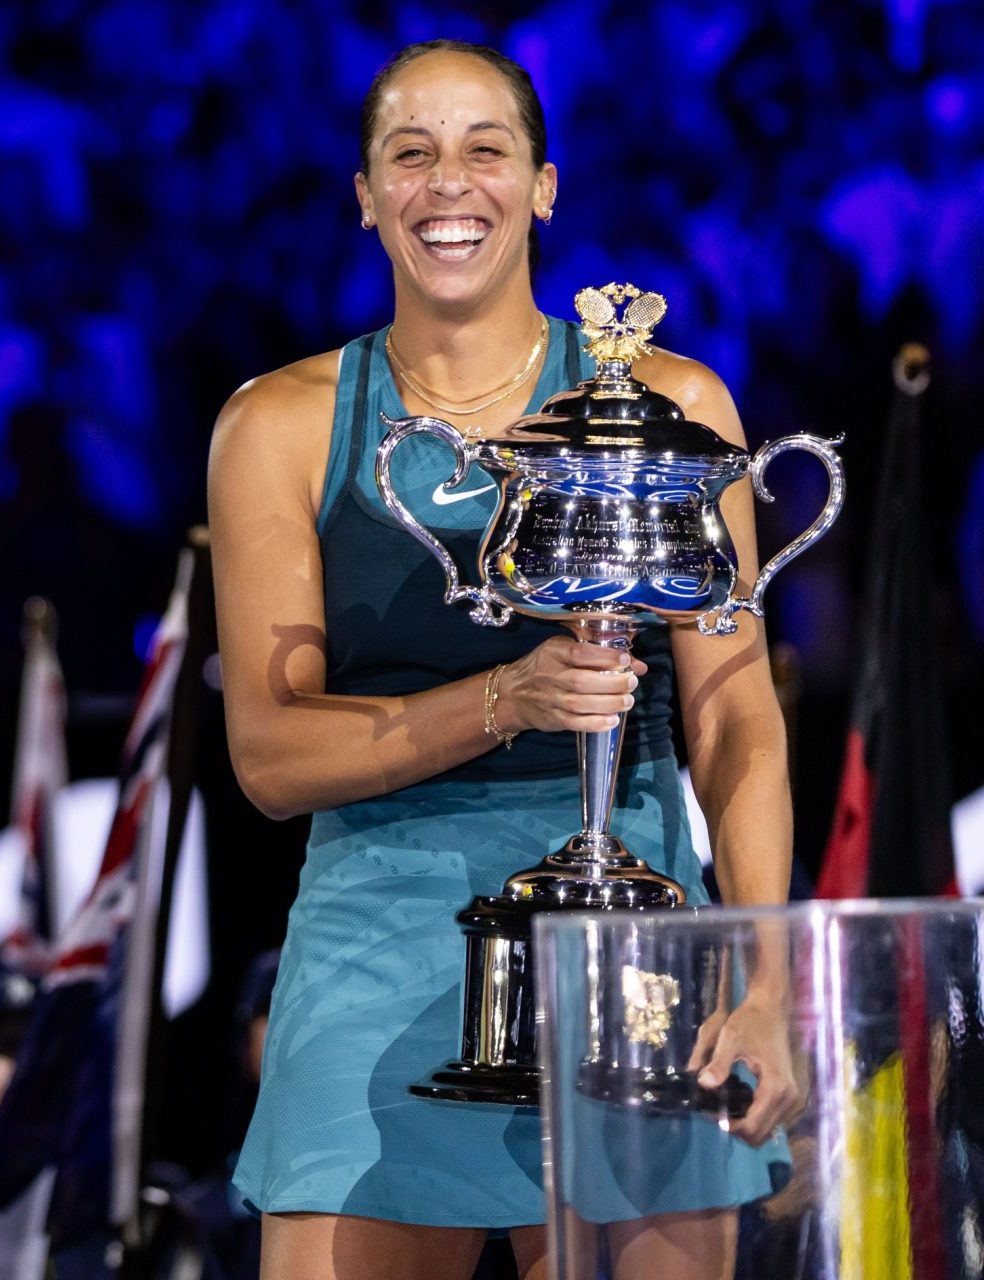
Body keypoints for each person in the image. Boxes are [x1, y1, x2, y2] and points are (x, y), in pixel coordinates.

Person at [205, 40, 801, 1280]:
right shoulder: (283, 421)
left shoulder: (674, 407)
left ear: (543, 185)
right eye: (409, 155)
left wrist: (766, 968)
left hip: (637, 943)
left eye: (487, 150)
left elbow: (736, 720)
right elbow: (269, 755)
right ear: (365, 194)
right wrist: (506, 695)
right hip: (378, 934)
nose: (448, 184)